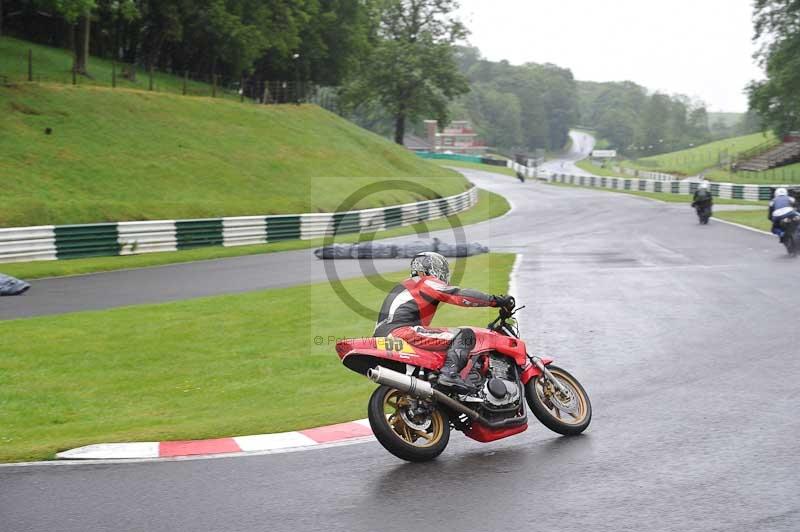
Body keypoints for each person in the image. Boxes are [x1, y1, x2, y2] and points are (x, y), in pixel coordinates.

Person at [373, 252, 514, 393]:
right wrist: (495, 300)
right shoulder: (424, 281)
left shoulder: (406, 285)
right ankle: (449, 375)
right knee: (465, 335)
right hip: (401, 332)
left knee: (441, 349)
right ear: (433, 268)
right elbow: (458, 295)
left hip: (385, 335)